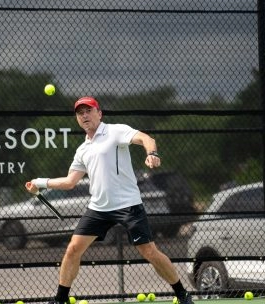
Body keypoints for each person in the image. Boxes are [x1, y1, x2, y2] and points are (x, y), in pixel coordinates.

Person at [25, 96, 194, 304]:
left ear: (99, 113)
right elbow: (70, 182)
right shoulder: (82, 150)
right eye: (80, 113)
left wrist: (152, 153)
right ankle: (60, 299)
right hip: (98, 208)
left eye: (89, 111)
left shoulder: (115, 131)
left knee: (149, 251)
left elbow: (146, 138)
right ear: (77, 119)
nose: (85, 115)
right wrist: (40, 182)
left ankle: (181, 294)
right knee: (73, 249)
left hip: (128, 205)